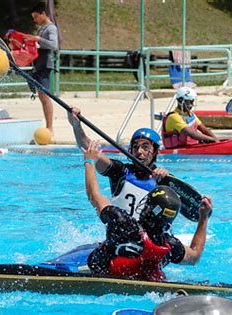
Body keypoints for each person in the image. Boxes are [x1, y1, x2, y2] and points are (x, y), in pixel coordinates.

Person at [83, 140, 212, 281]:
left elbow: (94, 196)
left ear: (145, 207)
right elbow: (195, 255)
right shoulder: (169, 245)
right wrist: (203, 218)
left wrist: (89, 161)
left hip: (107, 273)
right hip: (147, 282)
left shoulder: (121, 223)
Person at [67, 107, 171, 219]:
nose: (139, 152)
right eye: (135, 147)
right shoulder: (120, 172)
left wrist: (167, 181)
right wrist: (77, 126)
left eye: (145, 148)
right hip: (118, 232)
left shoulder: (163, 180)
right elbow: (90, 150)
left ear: (155, 151)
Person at [23, 2, 59, 134]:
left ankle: (50, 127)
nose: (34, 20)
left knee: (45, 95)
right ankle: (48, 125)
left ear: (43, 14)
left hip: (45, 64)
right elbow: (40, 45)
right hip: (38, 64)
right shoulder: (42, 28)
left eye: (36, 17)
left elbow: (54, 45)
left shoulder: (51, 28)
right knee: (41, 96)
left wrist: (37, 39)